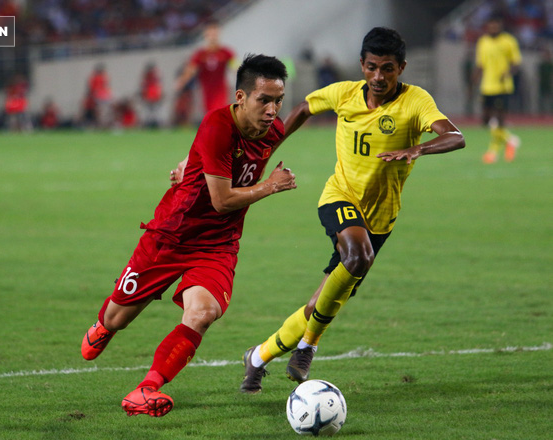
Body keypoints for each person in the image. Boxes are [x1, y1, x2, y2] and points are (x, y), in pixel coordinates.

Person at [239, 27, 465, 394]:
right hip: (340, 196)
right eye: (372, 67)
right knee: (358, 256)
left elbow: (455, 135)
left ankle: (258, 357)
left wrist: (418, 149)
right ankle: (308, 347)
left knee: (319, 304)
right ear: (362, 65)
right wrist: (266, 146)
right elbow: (304, 107)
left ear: (401, 68)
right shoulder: (344, 93)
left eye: (388, 68)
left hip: (381, 217)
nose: (378, 77)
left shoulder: (415, 101)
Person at [81, 54, 296, 417]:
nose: (273, 110)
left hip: (218, 245)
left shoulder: (272, 131)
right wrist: (270, 186)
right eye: (265, 100)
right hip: (173, 234)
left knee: (203, 313)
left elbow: (299, 115)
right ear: (241, 98)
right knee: (116, 319)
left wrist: (190, 159)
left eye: (279, 101)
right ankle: (103, 326)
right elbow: (223, 199)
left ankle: (146, 389)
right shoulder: (217, 125)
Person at [473, 14, 522, 164]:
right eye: (490, 25)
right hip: (486, 86)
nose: (493, 27)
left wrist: (507, 73)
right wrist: (473, 81)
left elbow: (516, 63)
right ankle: (510, 140)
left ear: (500, 25)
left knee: (499, 120)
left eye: (495, 25)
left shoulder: (508, 41)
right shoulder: (483, 42)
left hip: (502, 87)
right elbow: (480, 64)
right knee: (486, 120)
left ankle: (492, 153)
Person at [175, 21, 235, 115]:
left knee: (219, 112)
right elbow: (191, 69)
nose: (213, 37)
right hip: (206, 90)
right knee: (210, 113)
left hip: (221, 89)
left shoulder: (226, 52)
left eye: (215, 34)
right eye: (210, 34)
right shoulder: (200, 54)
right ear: (206, 35)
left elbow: (235, 67)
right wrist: (182, 81)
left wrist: (244, 79)